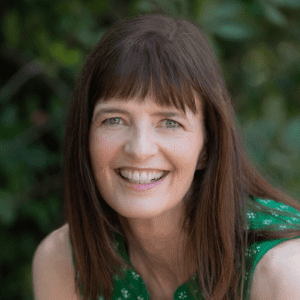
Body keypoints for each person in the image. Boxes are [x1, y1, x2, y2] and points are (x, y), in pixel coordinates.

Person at [32, 12, 300, 300]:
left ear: (207, 146)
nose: (139, 149)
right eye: (114, 120)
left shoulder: (284, 273)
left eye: (170, 123)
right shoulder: (64, 262)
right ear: (84, 135)